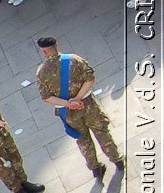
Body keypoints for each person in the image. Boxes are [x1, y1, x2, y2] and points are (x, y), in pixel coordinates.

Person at [34, 36, 125, 180]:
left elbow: (46, 98)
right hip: (87, 104)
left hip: (68, 112)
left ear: (44, 52)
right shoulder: (74, 59)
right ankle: (117, 160)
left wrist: (69, 104)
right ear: (56, 46)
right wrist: (77, 98)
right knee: (102, 132)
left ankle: (95, 169)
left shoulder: (41, 72)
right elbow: (90, 79)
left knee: (82, 140)